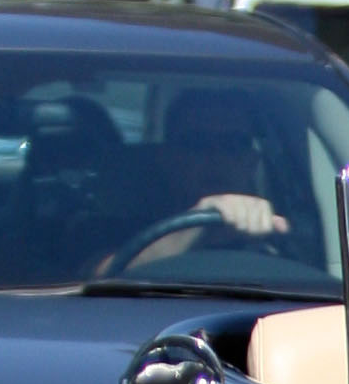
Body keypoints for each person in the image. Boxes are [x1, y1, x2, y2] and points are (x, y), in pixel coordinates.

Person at [96, 92, 288, 274]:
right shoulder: (106, 229)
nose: (216, 157)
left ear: (252, 162)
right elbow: (99, 279)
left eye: (233, 144)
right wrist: (195, 224)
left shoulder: (286, 240)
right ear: (168, 158)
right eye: (197, 143)